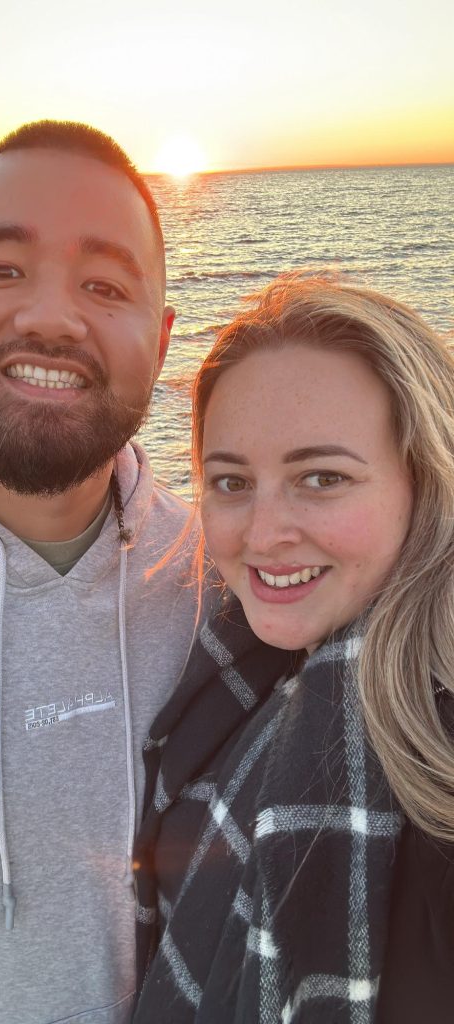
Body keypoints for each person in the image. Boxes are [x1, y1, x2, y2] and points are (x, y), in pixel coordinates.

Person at [0, 121, 204, 1024]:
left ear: (165, 336)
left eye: (104, 286)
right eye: (0, 270)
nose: (53, 318)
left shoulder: (227, 584)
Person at [133, 274, 454, 1023]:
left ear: (425, 481)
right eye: (232, 481)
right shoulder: (232, 666)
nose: (264, 532)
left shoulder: (433, 753)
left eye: (321, 477)